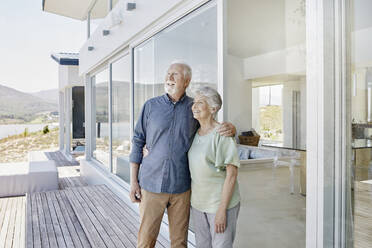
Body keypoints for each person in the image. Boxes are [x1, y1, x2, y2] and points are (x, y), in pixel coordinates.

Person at [129, 62, 236, 248]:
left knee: (179, 243)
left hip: (182, 187)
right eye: (168, 73)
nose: (169, 78)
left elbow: (212, 127)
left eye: (175, 75)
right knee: (145, 241)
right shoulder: (150, 106)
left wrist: (232, 128)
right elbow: (138, 141)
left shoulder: (194, 108)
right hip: (151, 184)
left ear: (186, 81)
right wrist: (133, 182)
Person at [188, 86, 240, 248]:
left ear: (213, 108)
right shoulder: (194, 132)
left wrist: (221, 211)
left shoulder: (222, 134)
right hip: (198, 205)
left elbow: (231, 176)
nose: (194, 106)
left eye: (200, 103)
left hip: (220, 204)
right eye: (194, 102)